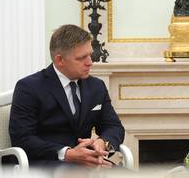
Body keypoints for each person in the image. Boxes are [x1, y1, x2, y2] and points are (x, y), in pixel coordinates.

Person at [9, 24, 125, 168]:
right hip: (48, 165)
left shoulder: (96, 86)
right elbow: (23, 139)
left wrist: (102, 144)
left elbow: (113, 127)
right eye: (82, 58)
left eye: (90, 54)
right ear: (60, 60)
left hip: (89, 164)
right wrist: (67, 154)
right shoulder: (29, 87)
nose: (90, 62)